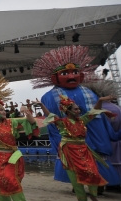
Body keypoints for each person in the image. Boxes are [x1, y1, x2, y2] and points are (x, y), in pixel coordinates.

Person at [32, 45, 121, 187]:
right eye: (65, 73)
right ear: (55, 78)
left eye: (75, 72)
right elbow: (53, 122)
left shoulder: (88, 93)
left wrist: (100, 103)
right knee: (75, 169)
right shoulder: (49, 97)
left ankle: (96, 186)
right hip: (71, 144)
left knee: (94, 166)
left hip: (92, 141)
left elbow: (94, 116)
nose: (72, 76)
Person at [34, 95, 116, 201]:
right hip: (69, 150)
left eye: (78, 109)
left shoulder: (82, 120)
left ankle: (93, 195)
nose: (78, 110)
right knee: (74, 175)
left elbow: (94, 112)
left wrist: (100, 101)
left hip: (83, 149)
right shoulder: (62, 122)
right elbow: (49, 115)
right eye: (76, 109)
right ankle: (81, 199)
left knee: (92, 171)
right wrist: (42, 105)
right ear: (68, 111)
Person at [82, 78, 121, 192]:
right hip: (115, 142)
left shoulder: (94, 111)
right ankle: (114, 184)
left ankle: (100, 187)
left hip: (100, 143)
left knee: (100, 166)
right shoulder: (117, 108)